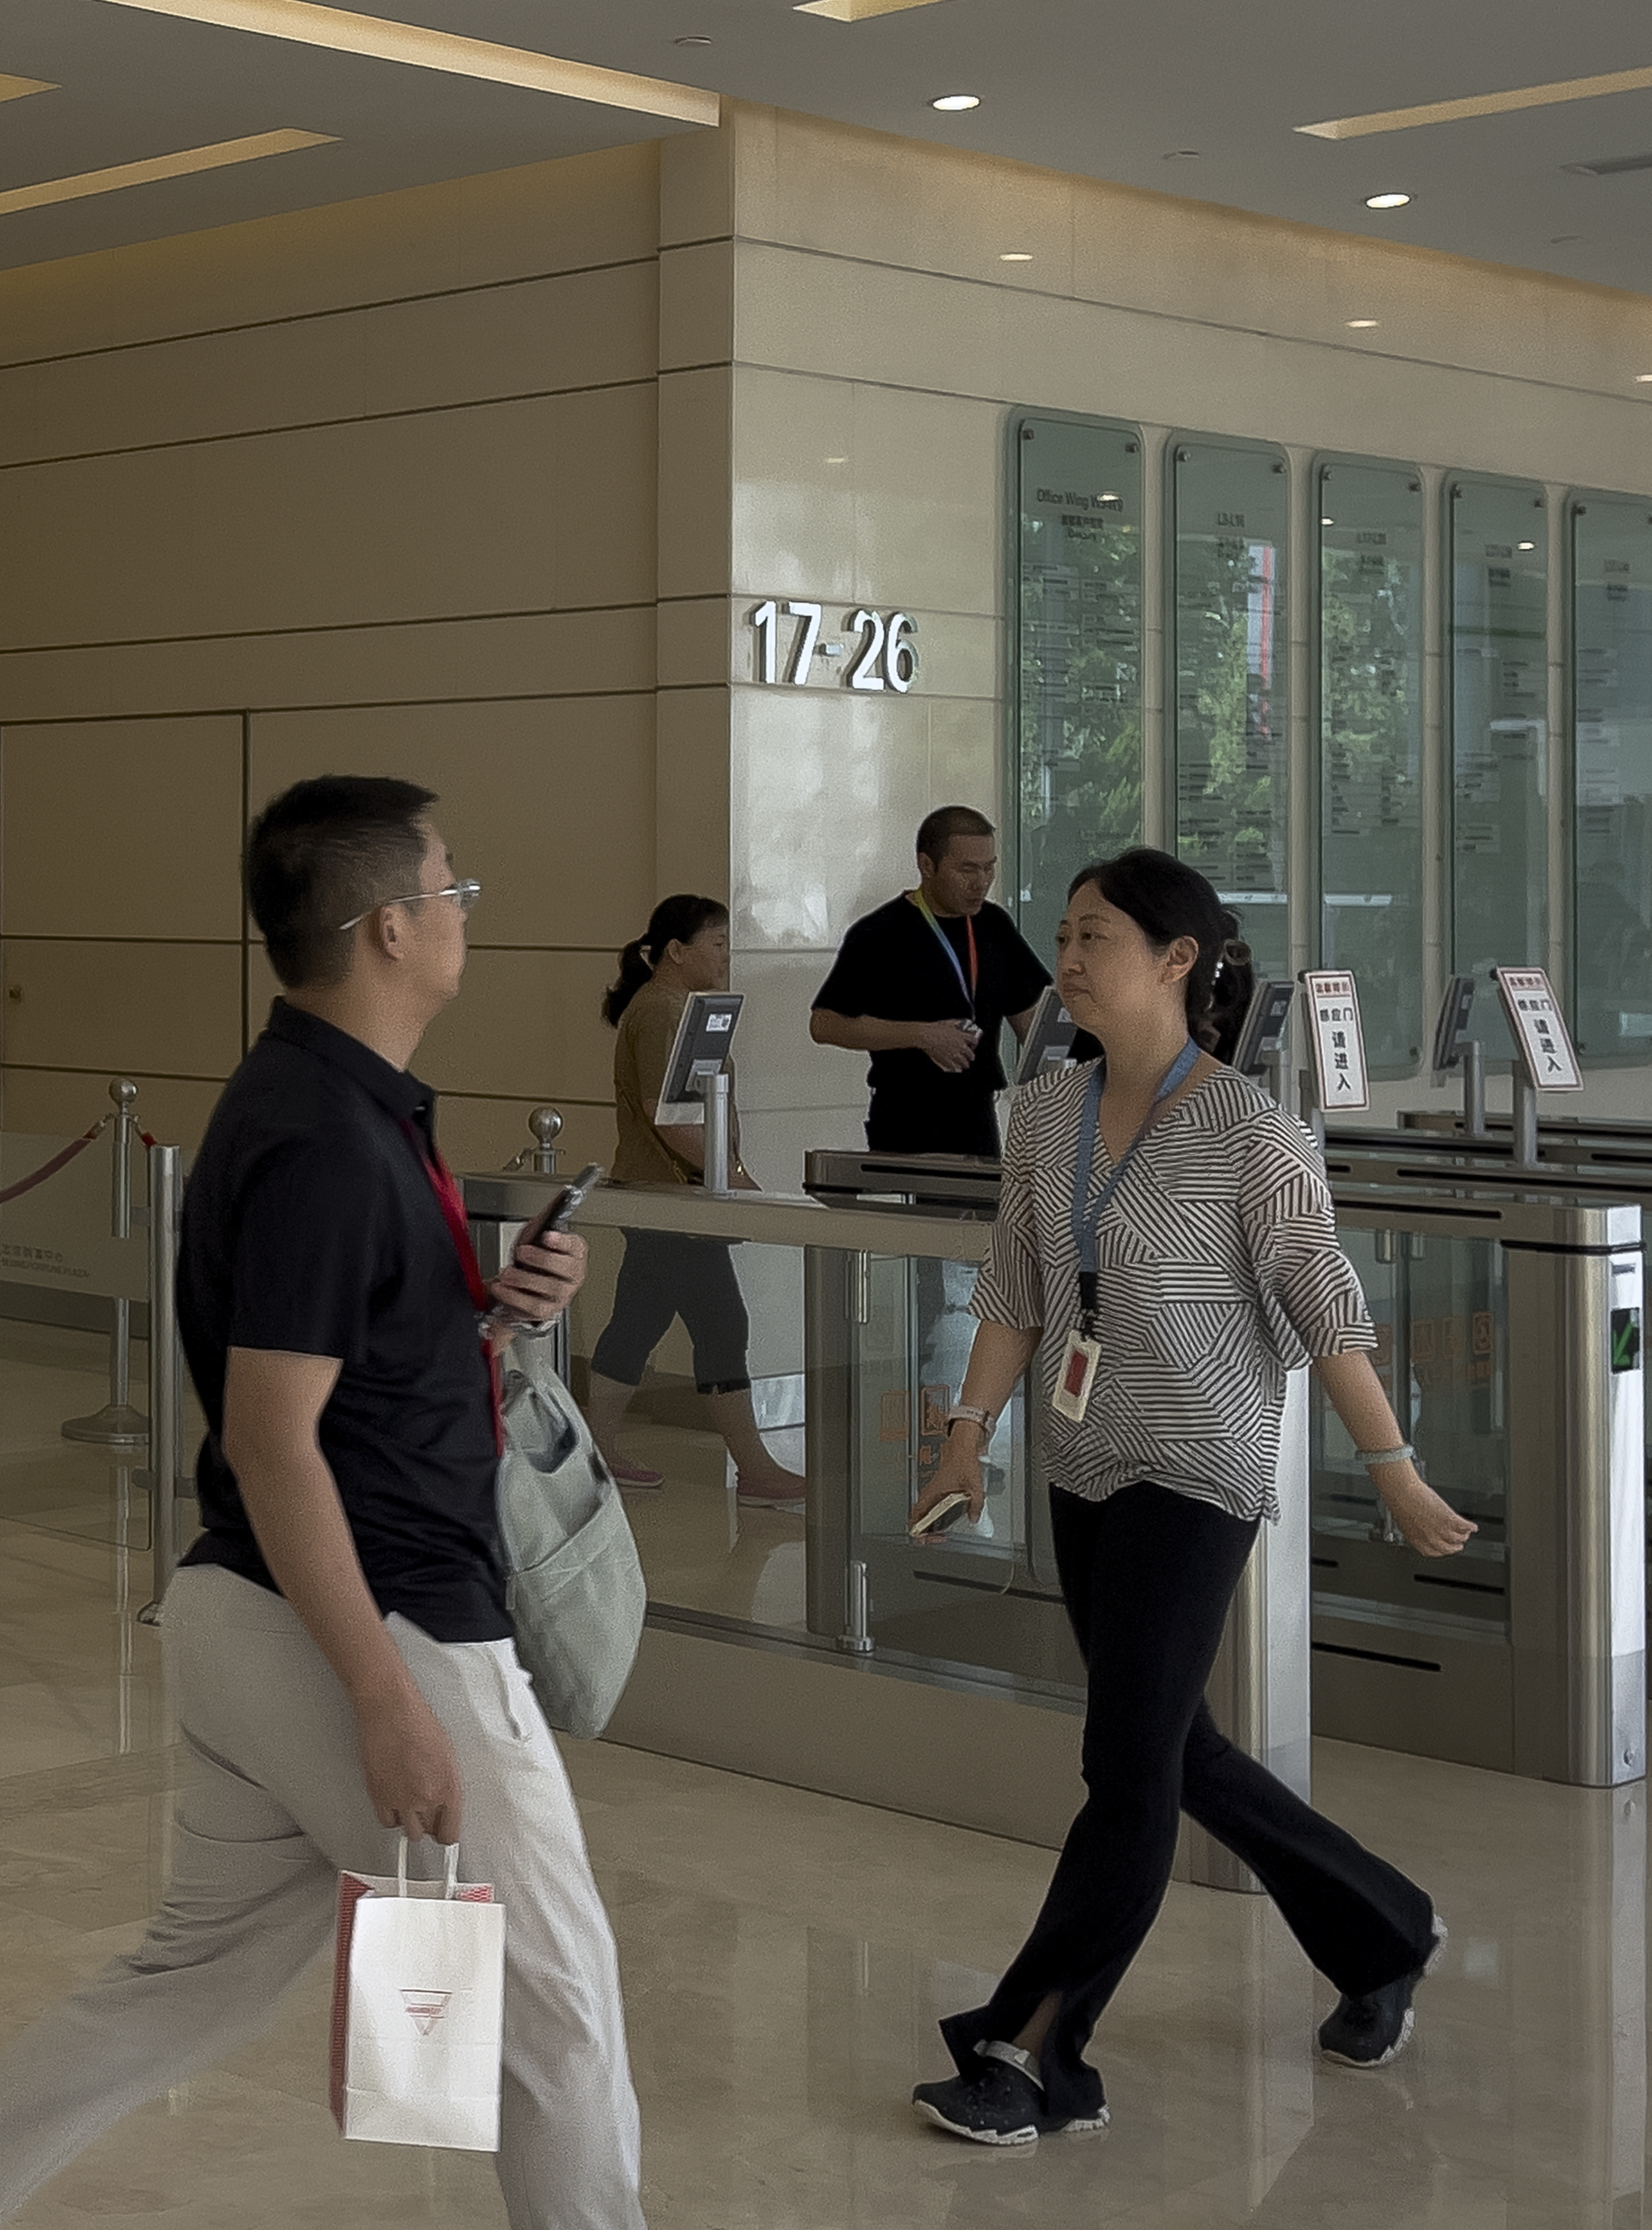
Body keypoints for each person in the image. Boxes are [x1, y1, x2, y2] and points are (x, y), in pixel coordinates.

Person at [0, 779, 845, 2230]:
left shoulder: (335, 1110)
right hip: (370, 1626)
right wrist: (386, 1704)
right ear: (387, 927)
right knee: (560, 2018)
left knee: (181, 1981)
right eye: (451, 879)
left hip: (254, 1619)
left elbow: (335, 1381)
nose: (467, 901)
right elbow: (275, 1440)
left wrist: (488, 1301)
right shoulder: (327, 1138)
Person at [902, 847, 1472, 2148]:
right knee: (1171, 1750)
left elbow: (1326, 1309)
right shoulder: (1045, 1112)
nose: (1071, 954)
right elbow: (1015, 1290)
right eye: (1066, 933)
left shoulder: (1252, 1132)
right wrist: (962, 1436)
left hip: (1198, 1470)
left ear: (1176, 961)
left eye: (1097, 934)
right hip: (1083, 1459)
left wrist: (1391, 1466)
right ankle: (1385, 1930)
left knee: (1123, 1762)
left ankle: (1035, 2050)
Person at [590, 895, 804, 1507]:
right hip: (672, 1200)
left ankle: (594, 1451)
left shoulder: (677, 1008)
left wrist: (729, 1172)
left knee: (637, 1323)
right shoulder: (660, 1013)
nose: (726, 955)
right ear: (678, 952)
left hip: (668, 1195)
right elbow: (674, 1118)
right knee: (721, 1323)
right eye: (716, 943)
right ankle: (757, 1470)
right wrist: (731, 1177)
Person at [809, 805, 1052, 1157]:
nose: (980, 882)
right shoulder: (881, 933)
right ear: (927, 866)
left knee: (980, 1209)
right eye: (966, 869)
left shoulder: (994, 925)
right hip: (908, 1116)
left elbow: (1030, 1020)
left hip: (978, 1113)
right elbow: (825, 1024)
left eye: (989, 868)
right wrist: (922, 1036)